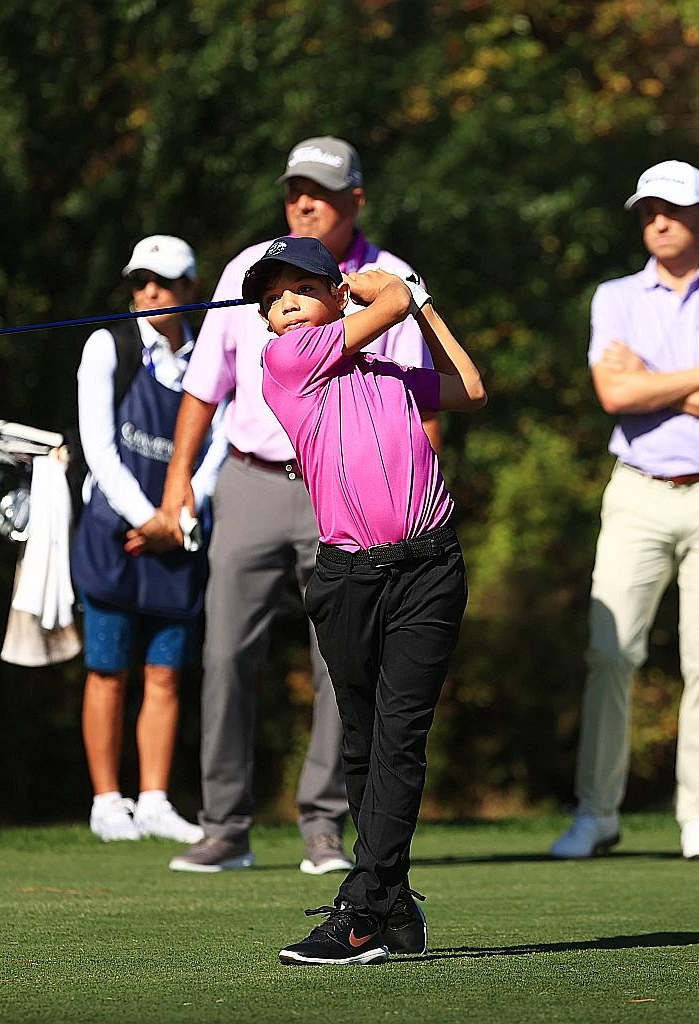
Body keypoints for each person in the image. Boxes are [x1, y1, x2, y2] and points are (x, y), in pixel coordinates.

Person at [161, 137, 433, 874]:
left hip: (345, 489)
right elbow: (203, 385)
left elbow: (422, 392)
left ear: (356, 200)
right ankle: (225, 826)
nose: (304, 202)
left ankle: (323, 828)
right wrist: (178, 477)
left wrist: (421, 478)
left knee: (342, 664)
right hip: (250, 478)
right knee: (224, 655)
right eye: (293, 191)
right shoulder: (250, 273)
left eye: (319, 190)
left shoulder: (389, 279)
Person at [236, 236, 485, 965]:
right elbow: (393, 301)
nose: (285, 300)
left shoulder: (384, 369)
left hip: (429, 567)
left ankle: (365, 909)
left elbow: (470, 388)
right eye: (272, 295)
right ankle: (395, 902)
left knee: (399, 738)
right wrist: (392, 288)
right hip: (348, 577)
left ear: (336, 295)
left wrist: (426, 308)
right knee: (363, 743)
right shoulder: (285, 363)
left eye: (301, 287)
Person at [551, 160, 699, 862]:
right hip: (639, 489)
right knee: (610, 653)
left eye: (673, 209)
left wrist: (653, 381)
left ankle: (697, 814)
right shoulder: (615, 298)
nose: (658, 221)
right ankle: (597, 814)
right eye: (648, 209)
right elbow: (613, 397)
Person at [70, 235, 228, 843]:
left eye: (162, 283)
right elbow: (100, 448)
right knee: (108, 670)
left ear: (190, 290)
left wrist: (179, 518)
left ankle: (155, 798)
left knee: (164, 673)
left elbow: (218, 444)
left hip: (179, 532)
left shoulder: (209, 356)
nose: (150, 293)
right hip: (116, 531)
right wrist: (150, 517)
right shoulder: (106, 344)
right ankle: (108, 801)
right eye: (140, 282)